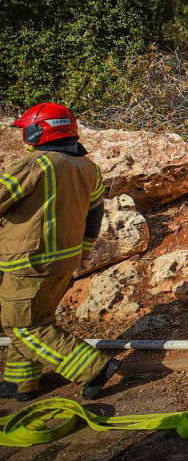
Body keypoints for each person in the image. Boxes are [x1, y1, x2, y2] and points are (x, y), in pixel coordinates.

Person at [0, 104, 120, 401]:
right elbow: (95, 214)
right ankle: (20, 382)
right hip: (65, 260)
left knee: (23, 326)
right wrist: (84, 252)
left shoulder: (35, 164)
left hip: (28, 260)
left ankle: (94, 368)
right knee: (35, 318)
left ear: (39, 131)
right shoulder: (88, 168)